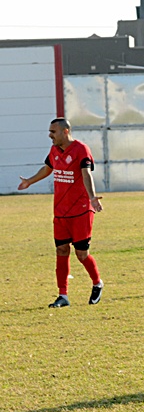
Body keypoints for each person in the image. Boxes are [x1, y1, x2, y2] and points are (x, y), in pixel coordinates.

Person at [18, 118, 104, 307]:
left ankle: (97, 283)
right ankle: (63, 296)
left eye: (53, 131)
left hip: (81, 211)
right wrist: (29, 181)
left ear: (65, 131)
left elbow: (86, 174)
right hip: (60, 211)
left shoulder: (81, 149)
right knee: (61, 250)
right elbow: (47, 168)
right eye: (50, 131)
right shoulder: (54, 150)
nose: (50, 135)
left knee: (81, 254)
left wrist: (92, 197)